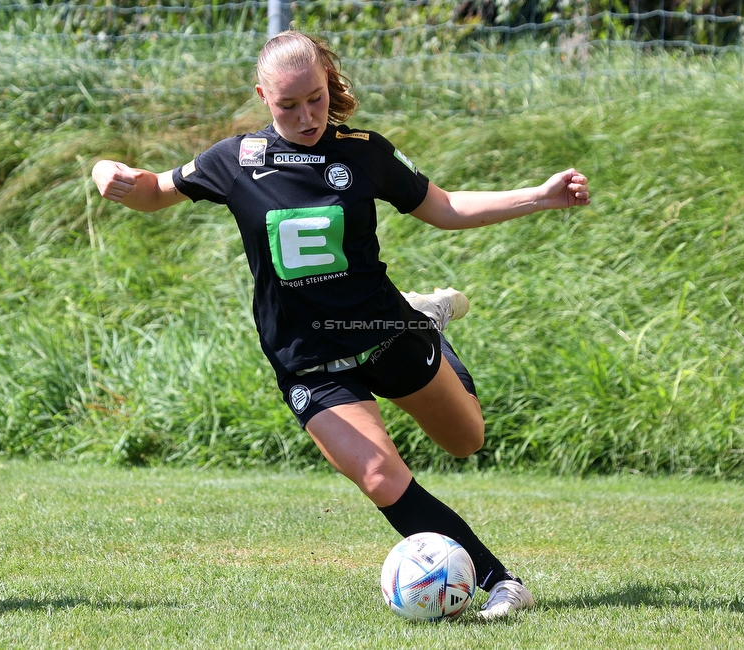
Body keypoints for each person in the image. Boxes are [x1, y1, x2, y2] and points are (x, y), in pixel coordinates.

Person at [92, 30, 590, 620]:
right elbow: (153, 192)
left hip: (386, 332)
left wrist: (540, 196)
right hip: (306, 358)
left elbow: (445, 207)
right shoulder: (234, 161)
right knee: (379, 475)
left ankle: (428, 323)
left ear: (330, 86)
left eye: (316, 99)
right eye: (288, 104)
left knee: (466, 440)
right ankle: (501, 583)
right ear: (262, 96)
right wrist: (110, 172)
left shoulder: (364, 151)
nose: (306, 116)